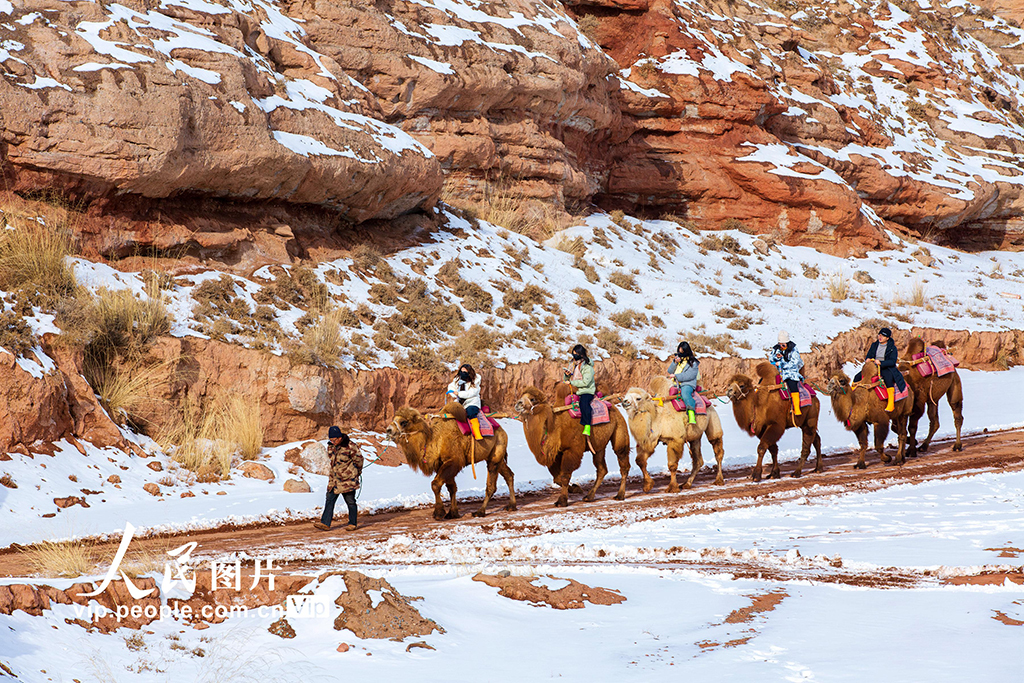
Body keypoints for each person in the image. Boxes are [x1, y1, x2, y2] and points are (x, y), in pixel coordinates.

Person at [313, 426, 363, 531]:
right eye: (331, 440)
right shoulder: (331, 446)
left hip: (347, 480)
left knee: (350, 501)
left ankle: (352, 523)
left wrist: (356, 472)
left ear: (340, 437)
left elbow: (359, 460)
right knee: (329, 499)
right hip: (334, 480)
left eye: (334, 440)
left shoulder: (350, 446)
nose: (332, 442)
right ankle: (325, 523)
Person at [863, 327, 906, 412]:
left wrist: (881, 363)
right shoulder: (874, 345)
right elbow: (869, 355)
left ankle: (891, 404)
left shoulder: (892, 348)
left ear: (887, 338)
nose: (880, 337)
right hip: (873, 366)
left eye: (883, 336)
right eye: (879, 335)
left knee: (888, 379)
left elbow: (892, 361)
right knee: (858, 377)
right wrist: (868, 359)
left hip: (886, 367)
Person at [768, 330, 805, 416]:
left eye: (783, 344)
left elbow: (795, 362)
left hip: (790, 372)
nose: (781, 346)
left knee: (792, 384)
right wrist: (776, 357)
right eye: (780, 344)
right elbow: (771, 359)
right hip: (778, 371)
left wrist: (782, 362)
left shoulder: (793, 350)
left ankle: (796, 408)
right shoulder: (776, 349)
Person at [564, 344, 596, 436]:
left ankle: (587, 425)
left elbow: (586, 382)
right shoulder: (573, 364)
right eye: (573, 354)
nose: (574, 357)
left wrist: (572, 383)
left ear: (581, 355)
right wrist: (567, 375)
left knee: (584, 404)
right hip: (575, 389)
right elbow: (567, 379)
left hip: (586, 390)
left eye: (576, 354)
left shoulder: (587, 367)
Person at [447, 364, 483, 440]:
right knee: (448, 410)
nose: (463, 373)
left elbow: (472, 393)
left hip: (471, 401)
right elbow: (451, 386)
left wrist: (459, 393)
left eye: (465, 372)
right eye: (462, 371)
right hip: (460, 402)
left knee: (471, 412)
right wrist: (452, 392)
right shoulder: (458, 380)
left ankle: (477, 433)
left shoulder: (475, 382)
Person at [668, 341, 700, 425]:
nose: (680, 354)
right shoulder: (679, 361)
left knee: (685, 394)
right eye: (679, 352)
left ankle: (691, 414)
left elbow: (690, 375)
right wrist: (674, 362)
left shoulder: (693, 363)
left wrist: (676, 376)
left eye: (682, 352)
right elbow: (669, 371)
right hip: (674, 382)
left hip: (687, 383)